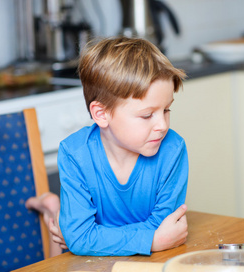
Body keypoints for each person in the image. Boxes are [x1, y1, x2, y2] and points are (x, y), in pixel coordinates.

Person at [31, 37, 189, 256]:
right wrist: (151, 241)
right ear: (101, 114)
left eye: (166, 110)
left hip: (147, 262)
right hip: (97, 265)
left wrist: (89, 236)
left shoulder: (173, 149)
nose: (162, 125)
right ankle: (52, 208)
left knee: (67, 230)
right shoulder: (74, 152)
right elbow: (158, 236)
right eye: (146, 115)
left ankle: (56, 209)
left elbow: (165, 228)